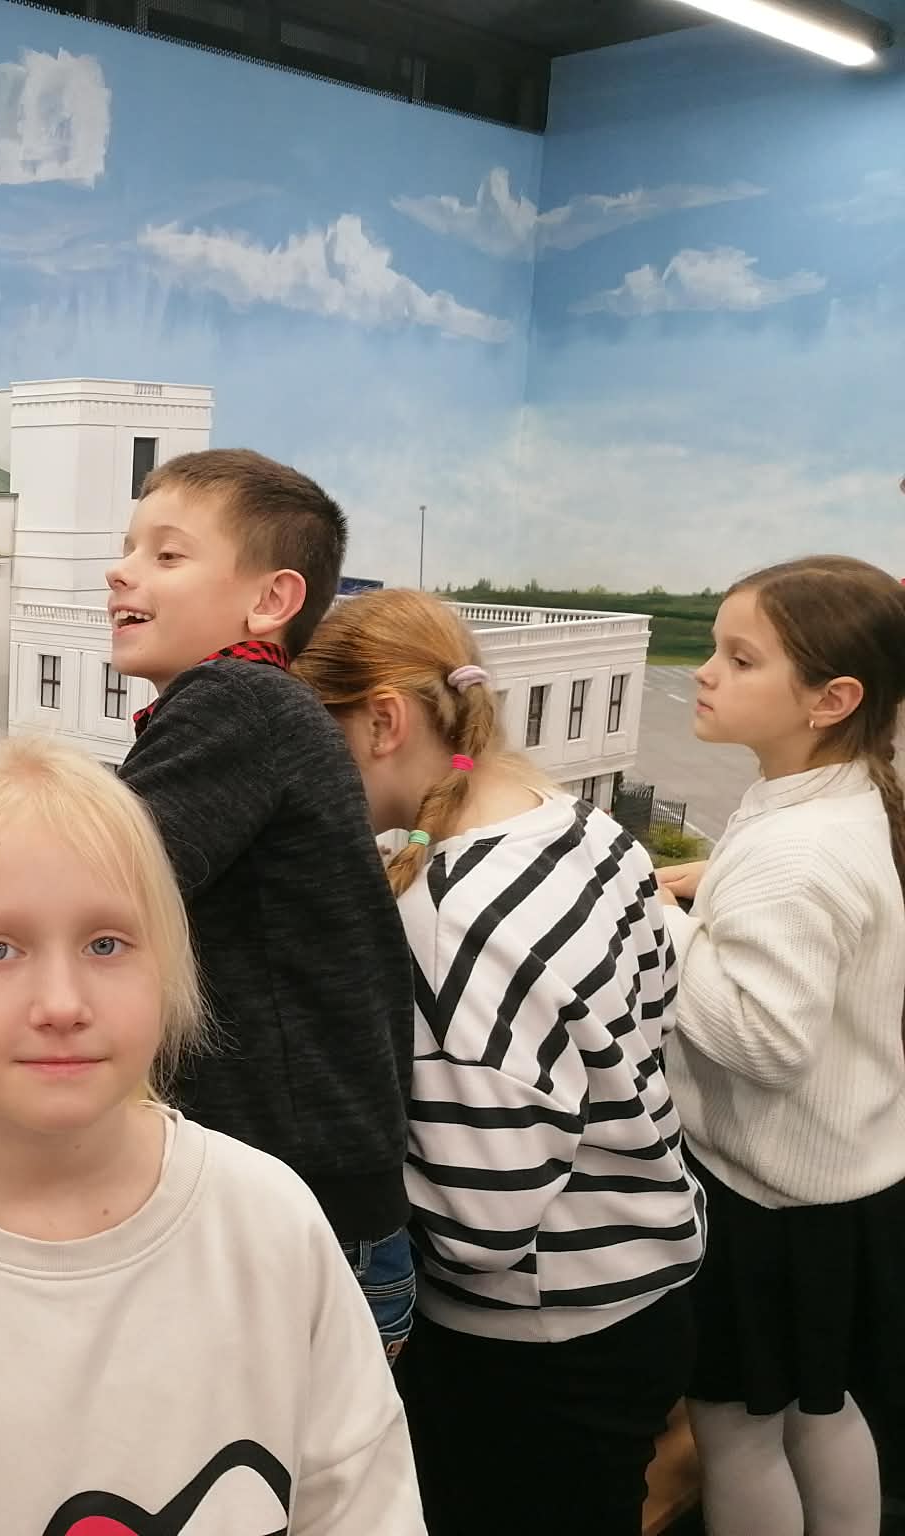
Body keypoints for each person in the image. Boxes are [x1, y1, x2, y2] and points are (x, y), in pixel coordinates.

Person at [0, 736, 424, 1536]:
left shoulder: (272, 1225)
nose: (63, 1003)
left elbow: (362, 1505)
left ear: (167, 969)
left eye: (106, 944)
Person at [295, 589, 702, 1536]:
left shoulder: (451, 915)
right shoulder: (580, 826)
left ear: (384, 722)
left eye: (314, 740)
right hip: (647, 1287)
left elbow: (481, 1223)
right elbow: (657, 1012)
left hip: (537, 1343)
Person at [105, 448, 415, 1354]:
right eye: (127, 548)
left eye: (168, 554)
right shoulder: (256, 710)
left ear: (272, 600)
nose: (122, 571)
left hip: (292, 1231)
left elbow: (96, 883)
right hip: (323, 1216)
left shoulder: (236, 700)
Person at [650, 556, 905, 1536]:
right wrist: (709, 884)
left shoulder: (793, 856)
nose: (706, 672)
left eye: (740, 658)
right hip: (844, 1187)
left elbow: (762, 1043)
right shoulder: (837, 801)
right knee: (820, 1406)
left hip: (765, 1207)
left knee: (735, 1429)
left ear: (830, 699)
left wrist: (656, 918)